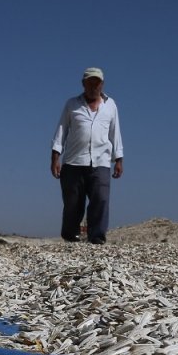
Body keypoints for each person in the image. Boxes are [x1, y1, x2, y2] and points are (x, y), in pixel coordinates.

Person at [50, 67, 124, 244]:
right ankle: (70, 235)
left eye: (97, 82)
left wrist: (119, 159)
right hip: (74, 161)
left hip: (101, 161)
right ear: (83, 84)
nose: (93, 86)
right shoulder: (72, 104)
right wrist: (55, 157)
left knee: (101, 199)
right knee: (73, 202)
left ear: (102, 84)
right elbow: (61, 130)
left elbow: (115, 133)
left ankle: (96, 237)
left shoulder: (111, 105)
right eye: (90, 82)